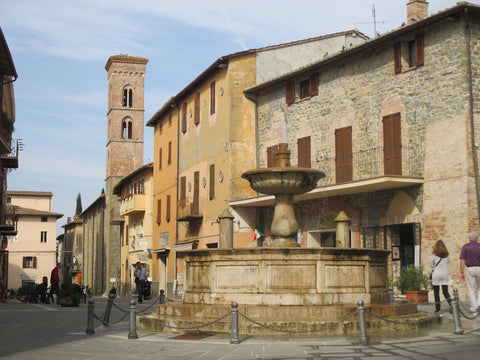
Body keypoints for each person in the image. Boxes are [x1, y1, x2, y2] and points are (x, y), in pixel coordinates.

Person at [460, 232, 480, 316]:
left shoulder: (465, 247)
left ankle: (474, 308)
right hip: (479, 267)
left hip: (470, 268)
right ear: (477, 238)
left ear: (469, 238)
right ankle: (478, 304)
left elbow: (462, 260)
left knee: (471, 289)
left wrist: (462, 271)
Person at [431, 240, 452, 313]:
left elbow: (432, 265)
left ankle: (438, 309)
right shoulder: (447, 255)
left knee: (436, 293)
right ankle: (451, 305)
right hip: (445, 274)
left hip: (437, 274)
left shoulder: (434, 255)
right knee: (445, 292)